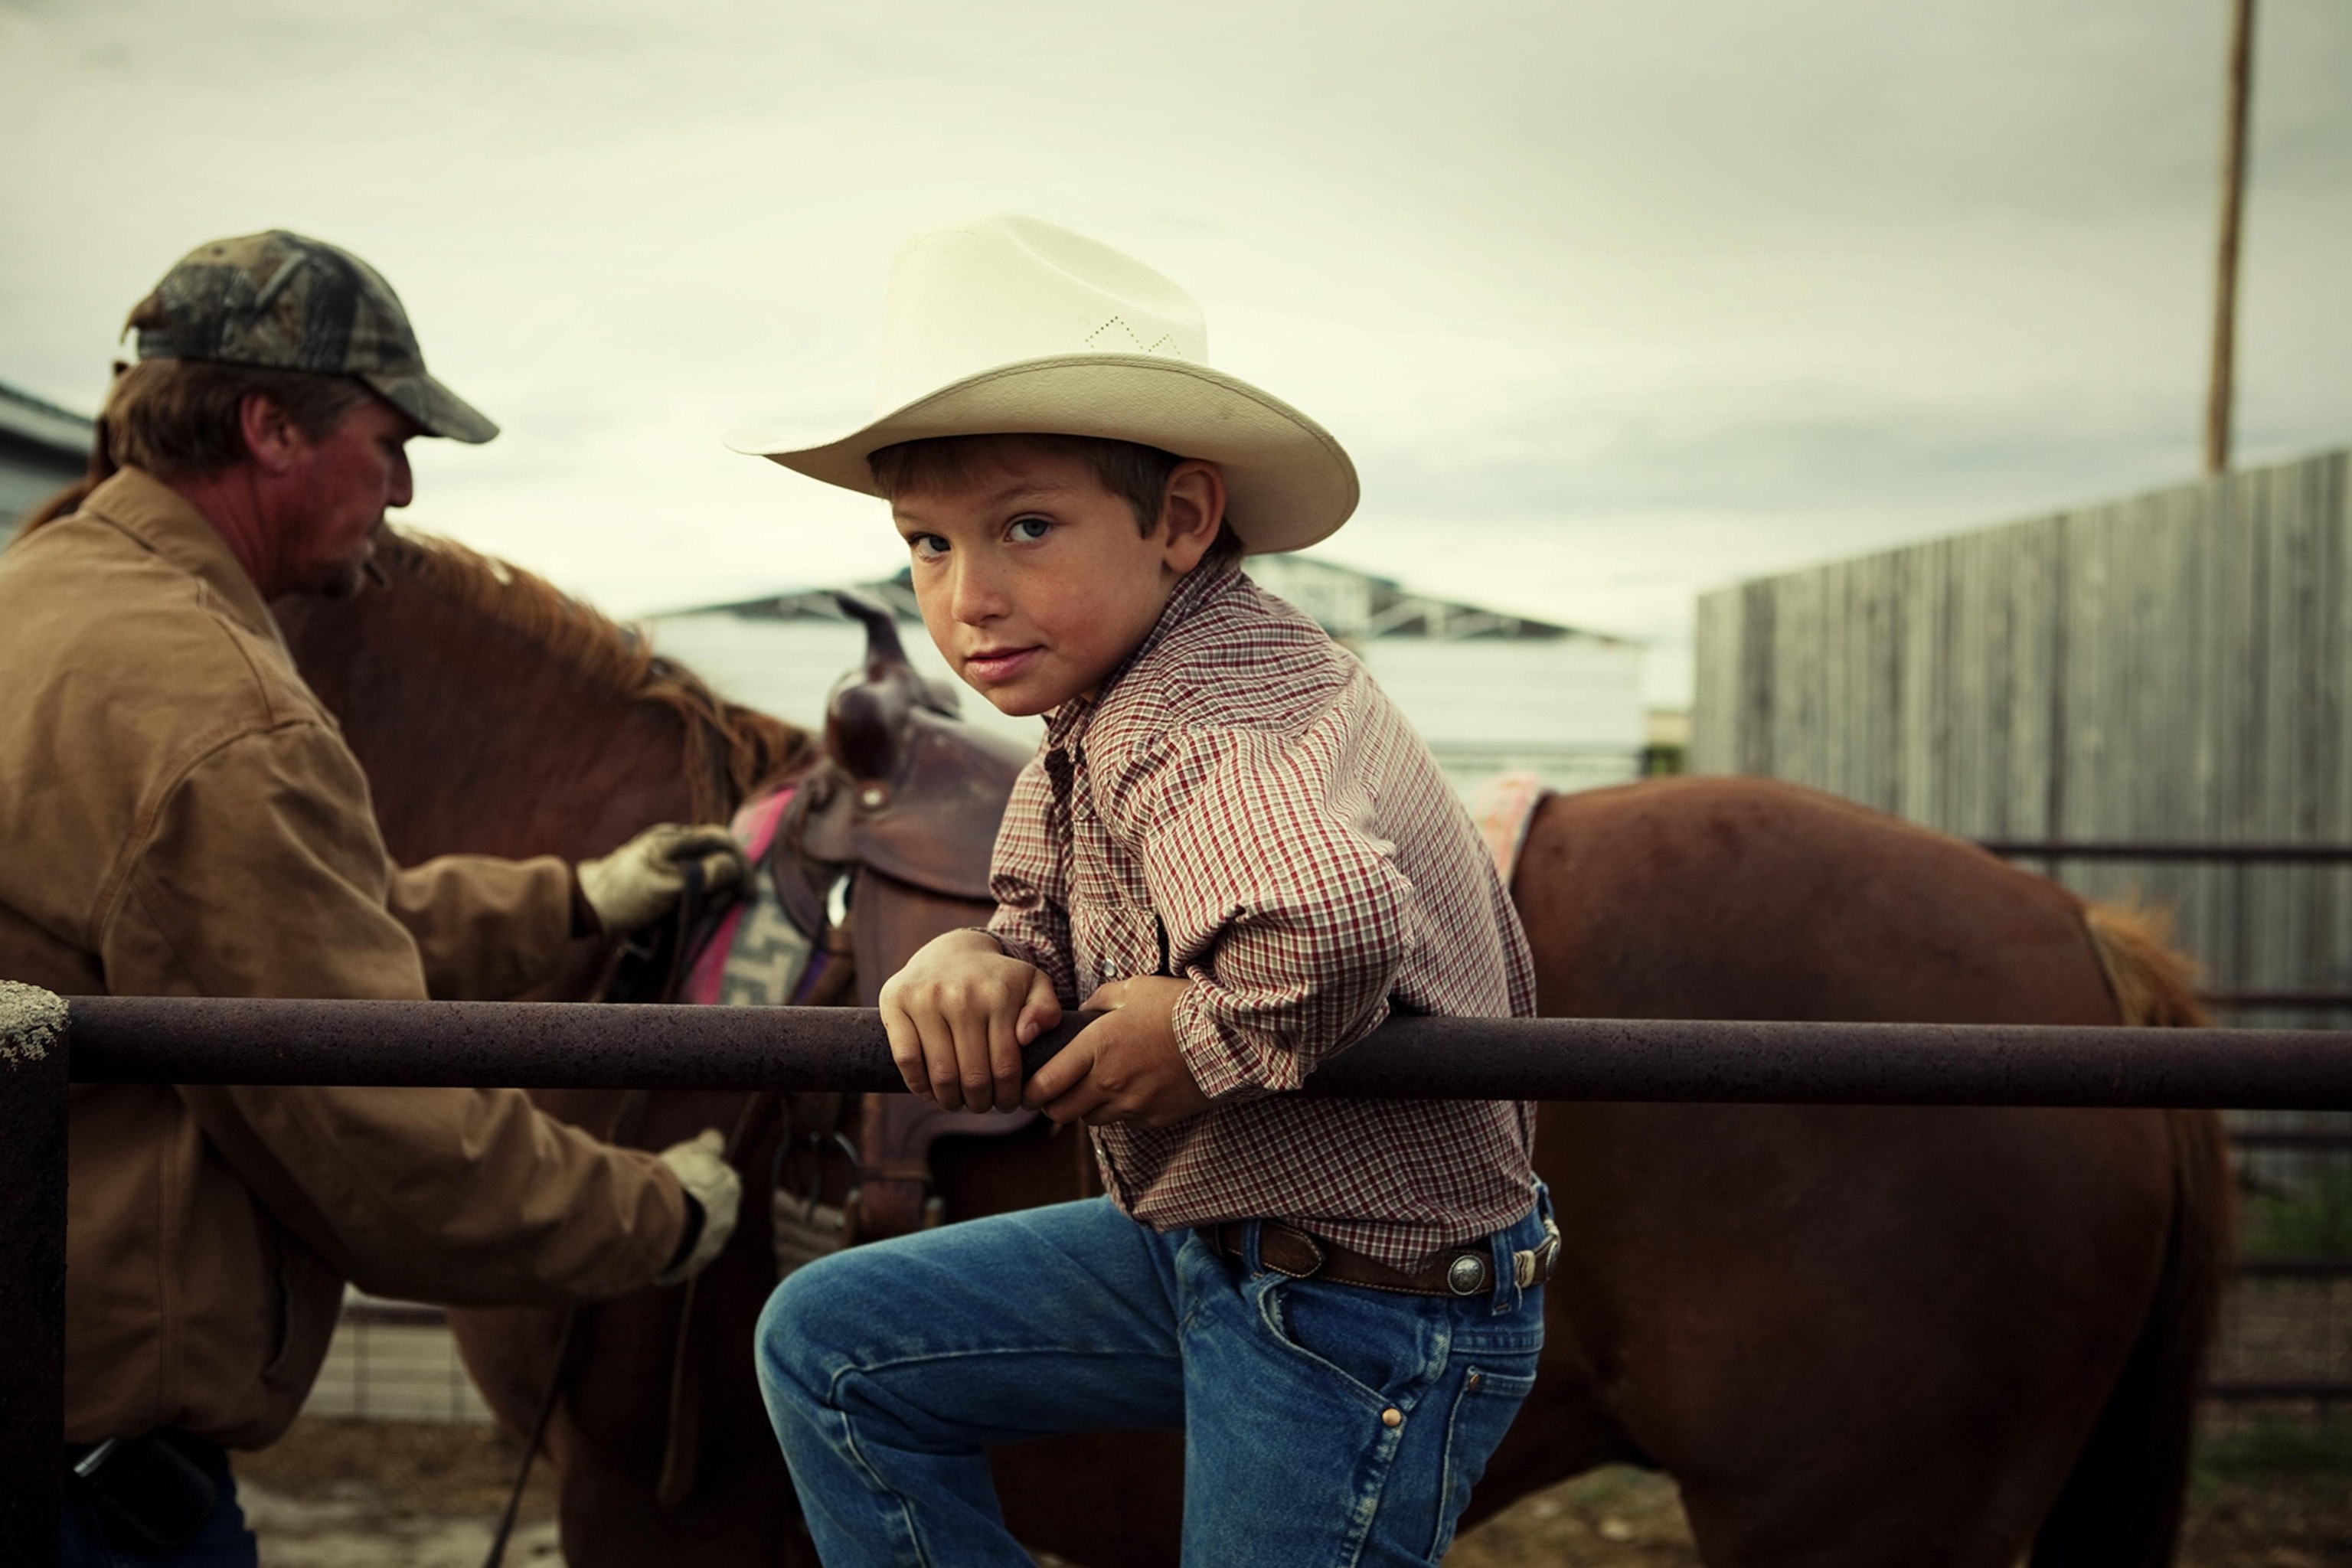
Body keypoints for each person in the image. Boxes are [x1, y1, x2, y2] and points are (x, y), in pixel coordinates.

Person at [738, 215, 1553, 1566]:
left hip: (1358, 1300)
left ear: (1179, 520)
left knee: (831, 1352)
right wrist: (988, 958)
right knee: (830, 1345)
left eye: (1028, 526)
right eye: (928, 545)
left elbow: (1335, 921)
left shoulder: (1201, 714)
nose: (970, 599)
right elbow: (1061, 906)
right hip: (1219, 1244)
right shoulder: (1107, 697)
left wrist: (1197, 1035)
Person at [0, 231, 746, 1566]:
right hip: (89, 1482)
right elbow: (375, 1129)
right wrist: (657, 1211)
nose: (404, 491)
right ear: (269, 425)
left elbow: (240, 928)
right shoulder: (219, 712)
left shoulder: (45, 600)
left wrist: (570, 901)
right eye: (392, 443)